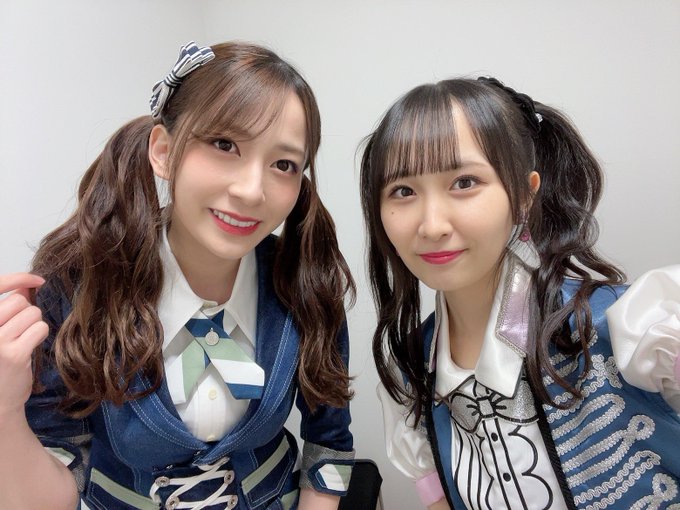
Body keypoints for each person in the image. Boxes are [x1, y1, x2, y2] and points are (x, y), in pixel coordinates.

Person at [0, 41, 355, 510]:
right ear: (164, 151)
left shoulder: (304, 284)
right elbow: (50, 497)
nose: (252, 191)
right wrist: (5, 410)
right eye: (224, 145)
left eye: (283, 165)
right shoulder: (78, 291)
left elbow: (329, 441)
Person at [359, 77, 680, 509]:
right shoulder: (409, 372)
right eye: (403, 191)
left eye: (464, 182)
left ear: (525, 195)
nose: (432, 225)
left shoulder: (636, 327)